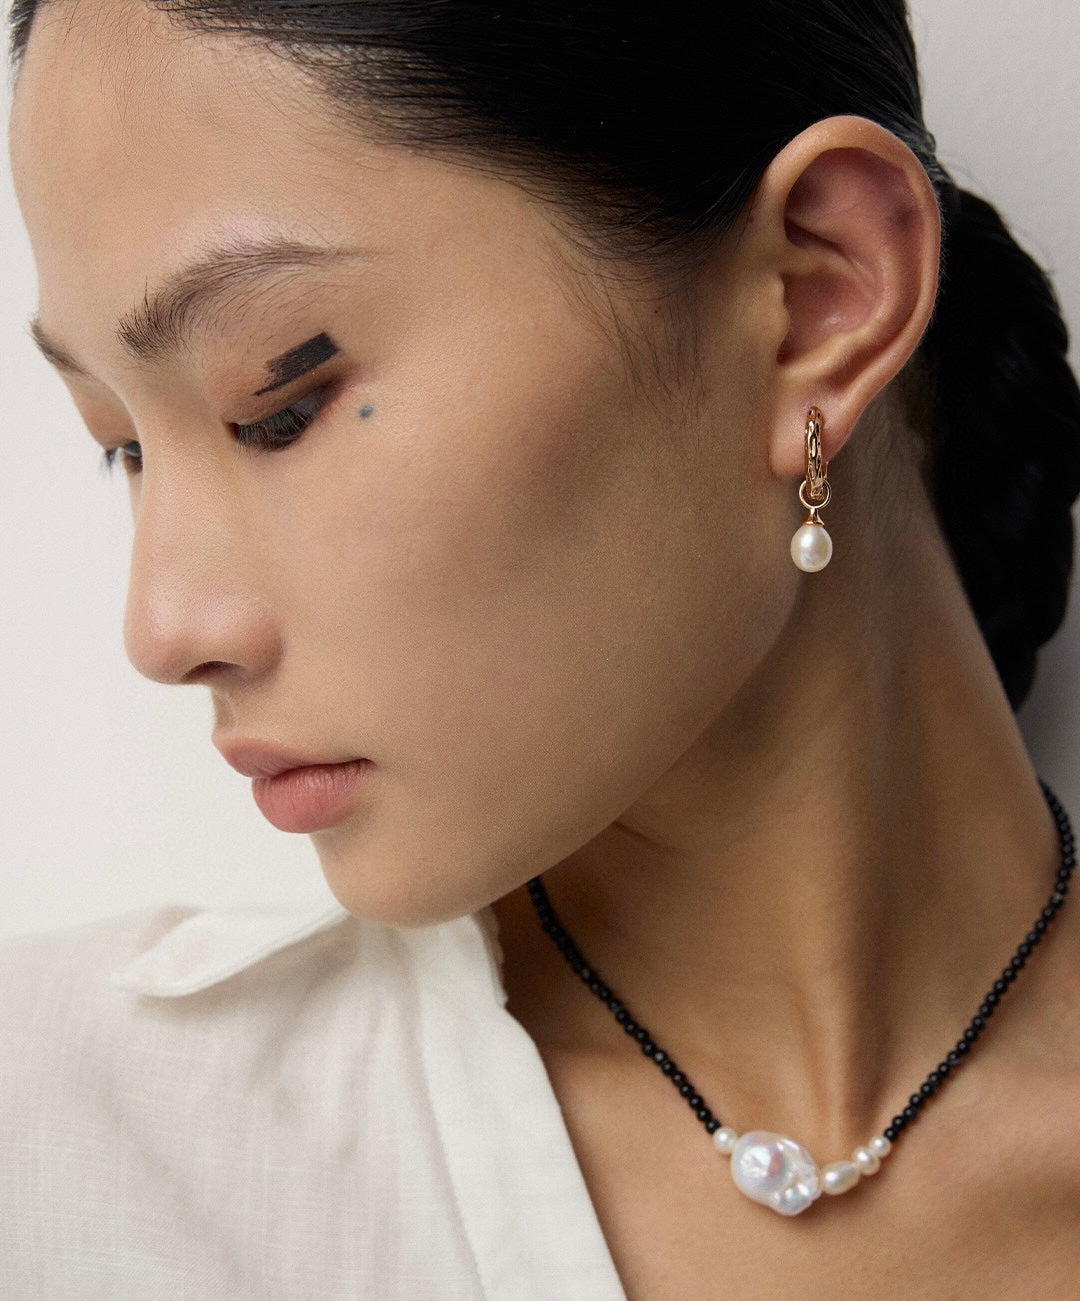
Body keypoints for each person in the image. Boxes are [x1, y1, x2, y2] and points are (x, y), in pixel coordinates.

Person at [3, 0, 1079, 1295]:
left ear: (815, 299)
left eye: (277, 406)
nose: (162, 628)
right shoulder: (61, 1147)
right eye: (121, 443)